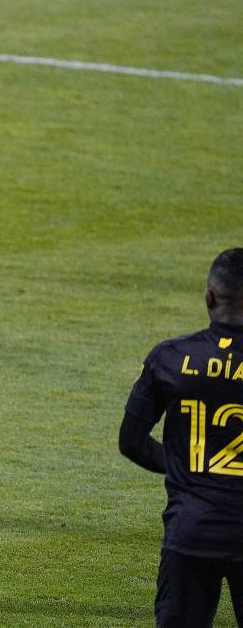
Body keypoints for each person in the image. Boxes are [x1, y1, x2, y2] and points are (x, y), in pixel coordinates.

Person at [119, 248, 243, 627]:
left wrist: (182, 466)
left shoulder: (170, 357)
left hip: (191, 530)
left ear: (209, 296)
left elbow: (131, 440)